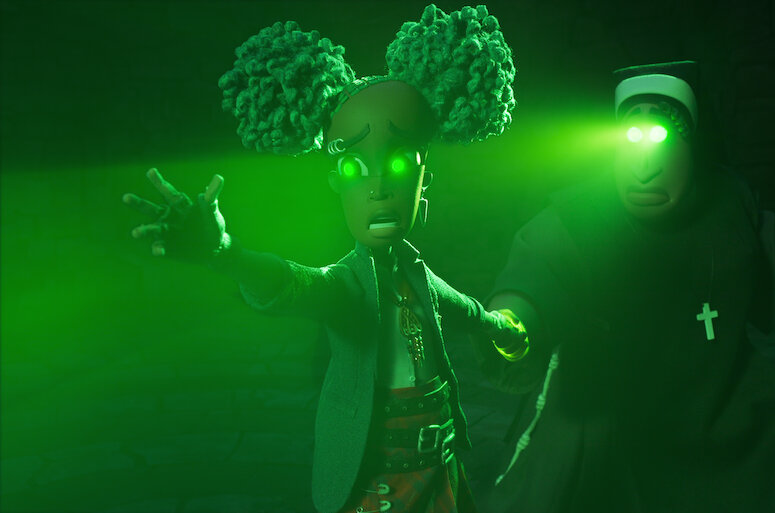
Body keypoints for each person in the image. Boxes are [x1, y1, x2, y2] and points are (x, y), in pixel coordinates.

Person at [123, 6, 528, 513]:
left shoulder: (414, 271)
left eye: (400, 160)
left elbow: (457, 306)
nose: (379, 186)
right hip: (378, 481)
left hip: (440, 471)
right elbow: (296, 284)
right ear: (337, 181)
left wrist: (496, 325)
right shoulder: (348, 285)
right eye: (355, 166)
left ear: (426, 176)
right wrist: (225, 254)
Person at [477, 61, 775, 512]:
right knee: (570, 452)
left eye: (662, 139)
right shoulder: (583, 210)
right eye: (631, 140)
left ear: (690, 147)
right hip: (614, 383)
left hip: (712, 377)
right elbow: (541, 261)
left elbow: (752, 232)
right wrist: (516, 312)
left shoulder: (725, 196)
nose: (644, 170)